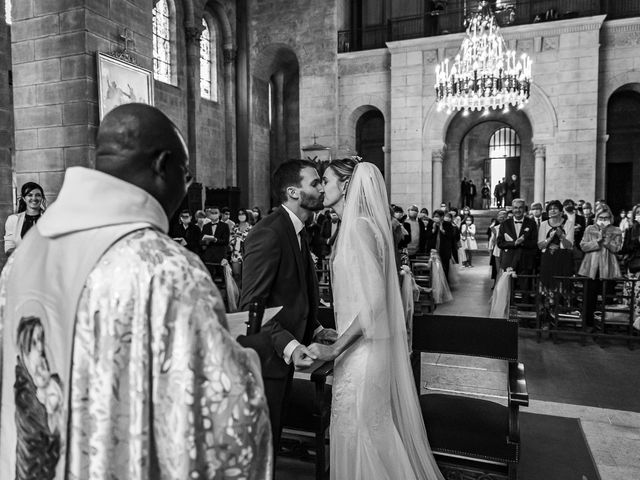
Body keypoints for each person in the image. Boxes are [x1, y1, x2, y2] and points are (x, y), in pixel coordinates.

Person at [0, 104, 271, 479]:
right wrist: (248, 359)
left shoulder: (25, 254)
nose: (186, 187)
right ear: (163, 165)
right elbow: (222, 419)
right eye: (186, 174)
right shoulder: (163, 267)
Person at [307, 159, 444, 480]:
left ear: (346, 185)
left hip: (362, 354)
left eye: (325, 181)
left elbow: (375, 302)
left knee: (362, 432)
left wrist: (335, 348)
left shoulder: (358, 228)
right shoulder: (361, 225)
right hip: (363, 345)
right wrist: (335, 332)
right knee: (361, 430)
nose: (321, 187)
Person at [238, 159, 338, 459]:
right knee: (261, 452)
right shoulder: (268, 232)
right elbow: (251, 308)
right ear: (294, 192)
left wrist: (317, 330)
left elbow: (294, 291)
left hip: (279, 360)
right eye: (315, 182)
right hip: (265, 360)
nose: (322, 188)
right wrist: (293, 347)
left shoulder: (299, 228)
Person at [579, 205, 623, 327]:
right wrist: (596, 242)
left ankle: (606, 324)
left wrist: (606, 241)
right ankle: (588, 324)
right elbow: (583, 246)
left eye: (606, 217)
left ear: (610, 218)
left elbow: (617, 248)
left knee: (607, 297)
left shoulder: (616, 230)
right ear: (597, 217)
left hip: (609, 268)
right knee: (589, 298)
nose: (603, 219)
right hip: (591, 268)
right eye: (601, 217)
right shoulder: (589, 229)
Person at [538, 200, 575, 324]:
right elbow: (540, 245)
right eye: (550, 209)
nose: (552, 210)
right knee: (547, 287)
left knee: (562, 286)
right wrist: (549, 238)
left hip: (563, 259)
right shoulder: (544, 224)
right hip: (548, 258)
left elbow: (569, 245)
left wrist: (561, 236)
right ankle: (546, 318)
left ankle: (561, 318)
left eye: (555, 208)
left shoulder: (568, 224)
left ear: (560, 211)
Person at [4, 182, 46, 256]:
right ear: (24, 198)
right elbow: (8, 249)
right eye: (30, 195)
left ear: (42, 198)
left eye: (38, 195)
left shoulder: (50, 218)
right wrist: (29, 251)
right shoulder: (13, 220)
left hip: (46, 265)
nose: (34, 198)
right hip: (22, 265)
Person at [425, 209, 455, 280]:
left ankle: (445, 283)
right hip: (434, 250)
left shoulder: (447, 224)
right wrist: (433, 230)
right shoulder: (431, 224)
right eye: (434, 216)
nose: (435, 218)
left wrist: (442, 230)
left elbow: (451, 237)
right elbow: (427, 236)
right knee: (434, 268)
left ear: (442, 217)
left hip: (444, 250)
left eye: (437, 216)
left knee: (445, 268)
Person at [229, 207, 254, 283]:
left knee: (247, 276)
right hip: (236, 253)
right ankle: (238, 293)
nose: (241, 215)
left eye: (243, 214)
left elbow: (253, 241)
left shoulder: (251, 228)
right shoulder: (234, 227)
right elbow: (230, 240)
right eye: (239, 214)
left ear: (246, 215)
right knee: (236, 275)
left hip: (247, 253)